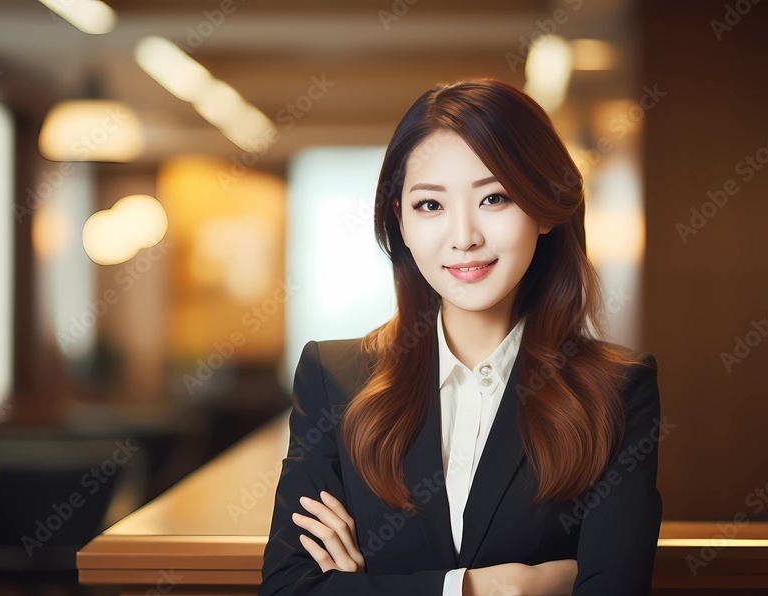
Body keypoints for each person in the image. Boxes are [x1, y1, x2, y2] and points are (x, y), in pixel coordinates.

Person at [259, 78, 663, 595]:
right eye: (431, 205)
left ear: (543, 208)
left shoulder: (617, 388)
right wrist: (487, 588)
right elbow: (288, 590)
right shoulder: (334, 379)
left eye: (494, 197)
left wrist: (366, 586)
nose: (464, 236)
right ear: (399, 221)